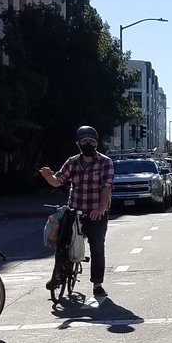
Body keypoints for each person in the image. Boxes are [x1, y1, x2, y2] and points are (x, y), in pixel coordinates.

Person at [39, 126, 114, 297]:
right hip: (75, 210)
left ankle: (97, 284)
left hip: (96, 212)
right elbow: (59, 180)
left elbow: (106, 188)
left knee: (96, 246)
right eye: (84, 141)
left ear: (96, 143)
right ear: (78, 144)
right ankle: (58, 274)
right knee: (62, 241)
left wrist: (101, 208)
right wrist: (49, 177)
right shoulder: (72, 162)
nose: (88, 144)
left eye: (91, 141)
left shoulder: (105, 162)